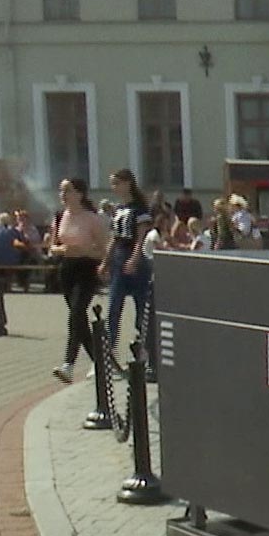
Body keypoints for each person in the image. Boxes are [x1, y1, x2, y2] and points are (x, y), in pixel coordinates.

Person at [97, 168, 154, 426]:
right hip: (120, 258)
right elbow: (114, 238)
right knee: (113, 309)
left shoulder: (140, 209)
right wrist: (106, 262)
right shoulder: (118, 210)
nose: (114, 188)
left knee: (143, 309)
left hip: (136, 262)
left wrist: (134, 257)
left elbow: (141, 238)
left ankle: (146, 354)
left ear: (127, 183)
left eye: (116, 183)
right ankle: (109, 354)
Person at [49, 178, 109, 385]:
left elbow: (104, 250)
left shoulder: (92, 219)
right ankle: (98, 360)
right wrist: (63, 250)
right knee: (78, 318)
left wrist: (84, 251)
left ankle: (69, 363)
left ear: (80, 194)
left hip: (86, 268)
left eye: (68, 191)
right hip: (67, 269)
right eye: (61, 191)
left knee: (76, 312)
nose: (63, 195)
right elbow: (52, 247)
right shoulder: (59, 216)